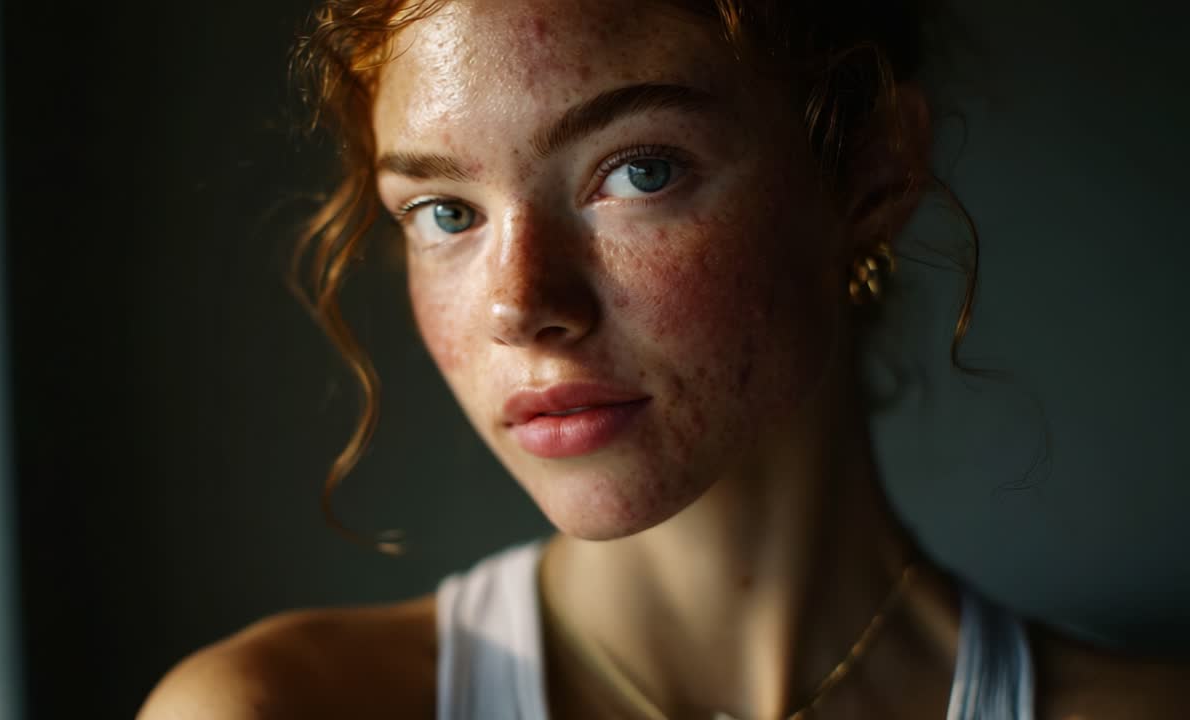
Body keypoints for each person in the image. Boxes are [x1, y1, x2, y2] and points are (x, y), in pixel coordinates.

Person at [139, 0, 1188, 717]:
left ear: (872, 167)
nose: (520, 306)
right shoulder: (275, 709)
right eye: (446, 211)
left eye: (638, 170)